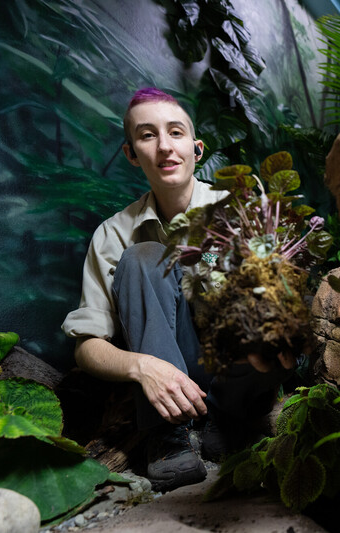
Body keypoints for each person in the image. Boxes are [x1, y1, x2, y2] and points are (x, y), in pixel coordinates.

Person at [61, 88, 295, 492]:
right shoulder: (113, 234)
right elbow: (86, 345)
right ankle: (168, 436)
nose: (165, 146)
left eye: (176, 132)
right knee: (141, 258)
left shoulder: (241, 207)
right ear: (132, 153)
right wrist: (143, 367)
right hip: (169, 376)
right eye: (148, 135)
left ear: (197, 148)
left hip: (239, 374)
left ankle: (230, 420)